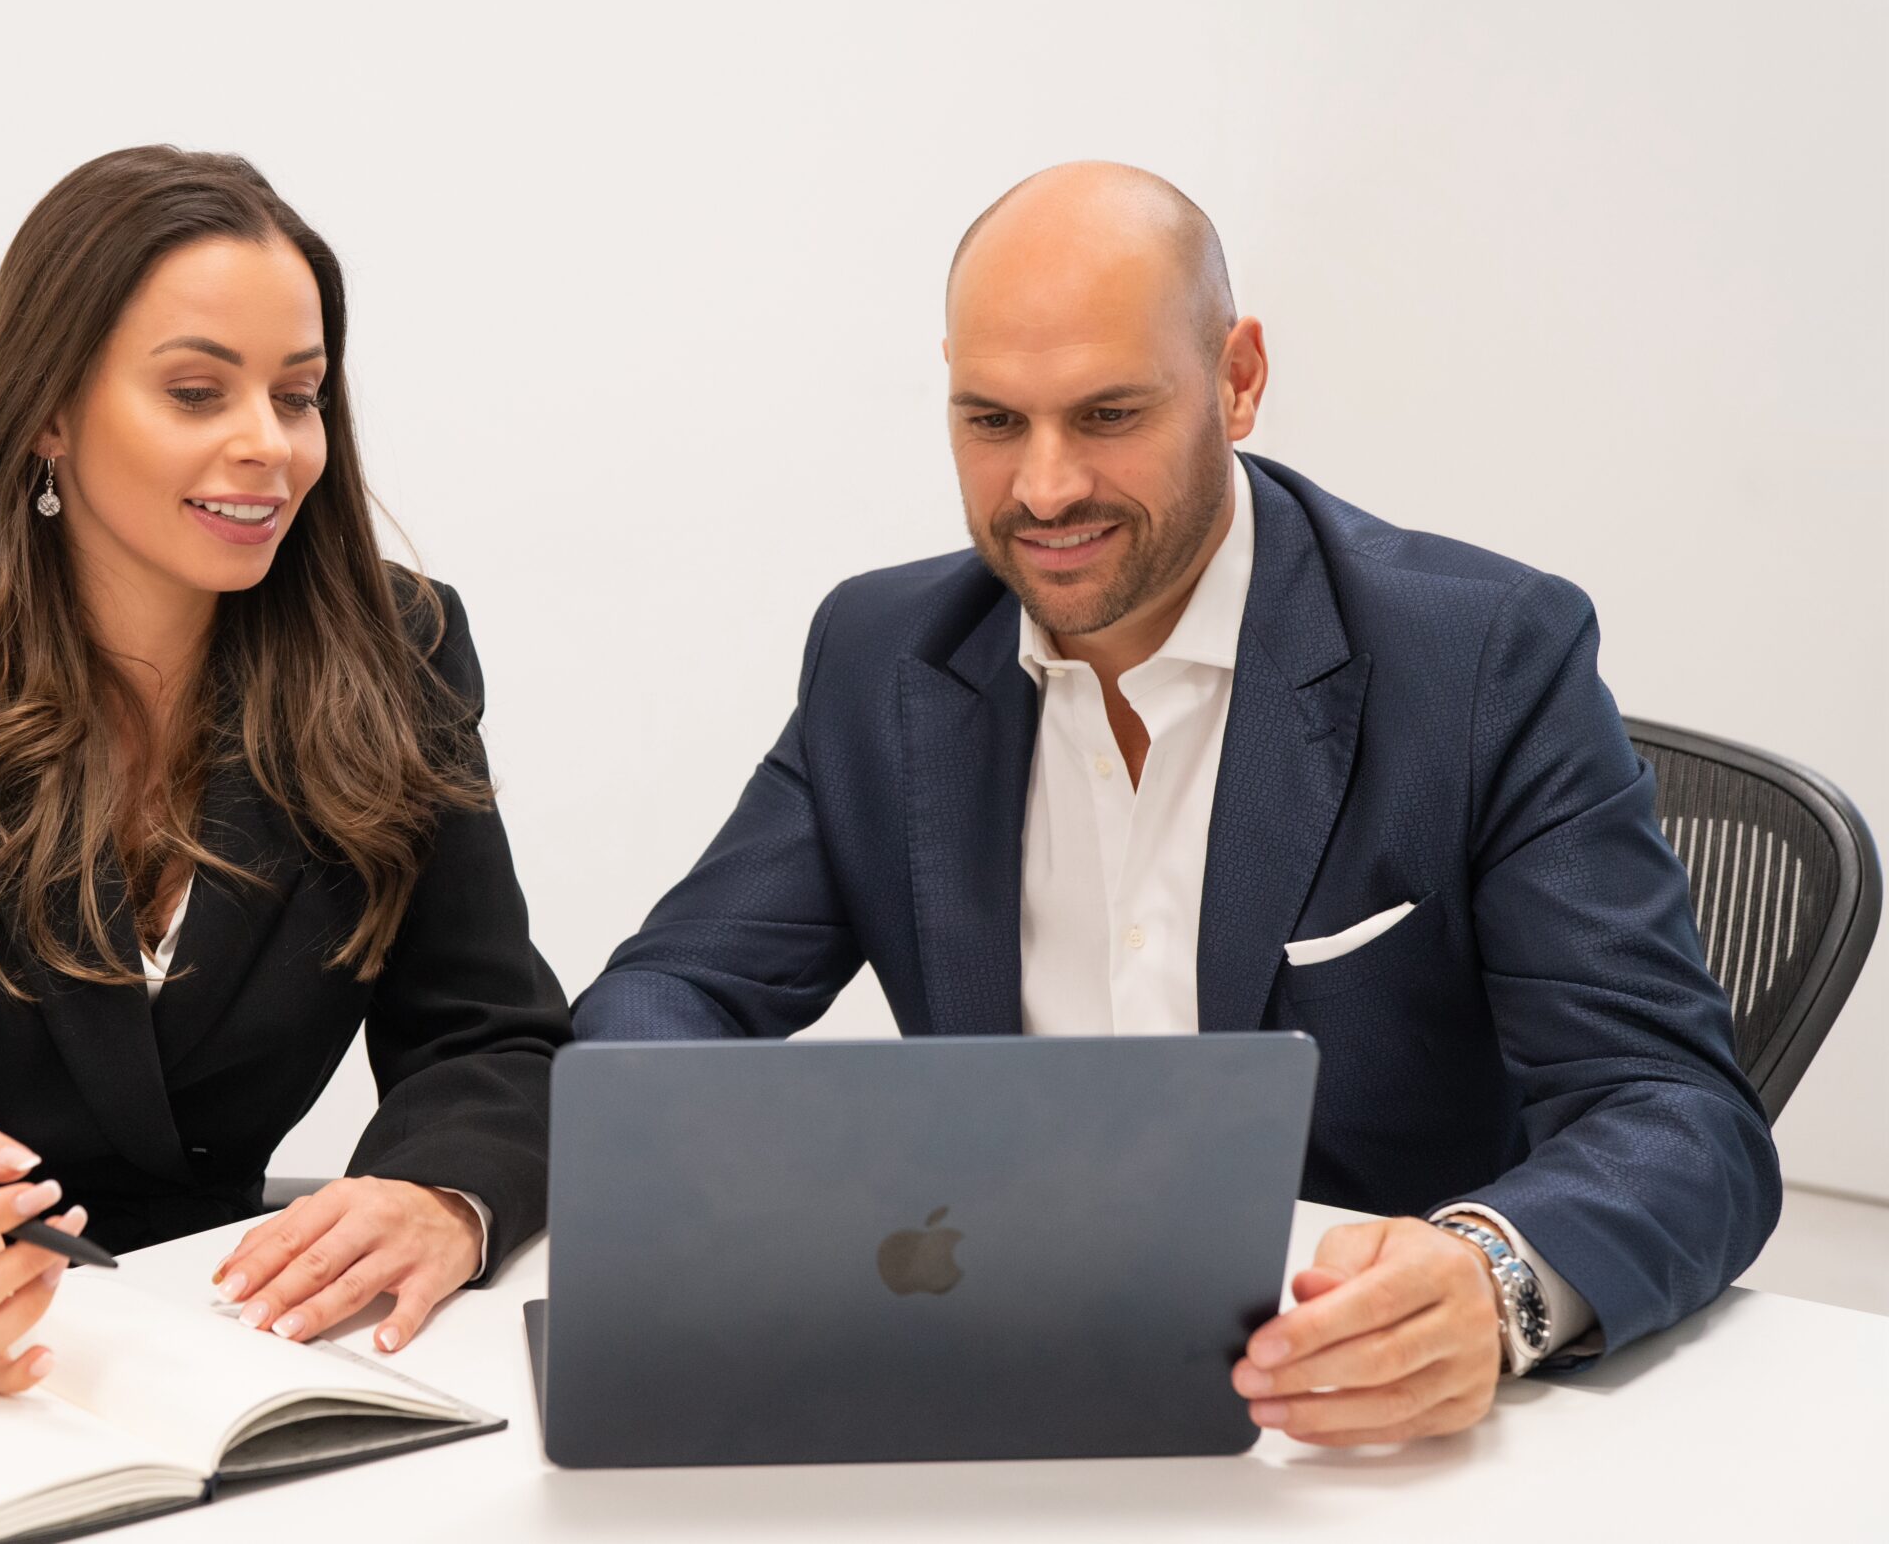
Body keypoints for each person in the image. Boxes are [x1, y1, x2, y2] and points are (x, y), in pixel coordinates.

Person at [574, 162, 1780, 1446]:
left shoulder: (1481, 658)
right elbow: (664, 996)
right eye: (990, 421)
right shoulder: (885, 657)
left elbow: (1677, 1112)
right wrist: (762, 1199)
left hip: (1342, 1428)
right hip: (991, 1376)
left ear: (1238, 377)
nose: (1042, 490)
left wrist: (1485, 1279)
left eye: (1105, 416)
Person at [0, 146, 571, 1393]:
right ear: (47, 411)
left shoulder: (392, 660)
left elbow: (490, 1032)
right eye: (196, 392)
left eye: (296, 397)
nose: (268, 446)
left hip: (206, 1346)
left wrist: (442, 1195)